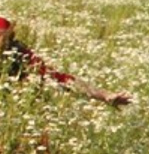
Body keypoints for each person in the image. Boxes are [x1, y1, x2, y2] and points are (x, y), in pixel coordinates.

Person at [1, 14, 132, 105]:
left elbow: (60, 79)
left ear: (9, 38)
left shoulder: (18, 54)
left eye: (2, 36)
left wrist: (105, 95)